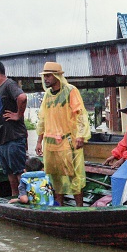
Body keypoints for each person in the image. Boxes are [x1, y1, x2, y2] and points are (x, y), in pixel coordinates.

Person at [34, 62, 91, 207]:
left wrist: (81, 135)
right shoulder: (47, 95)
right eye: (44, 76)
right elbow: (42, 119)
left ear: (57, 76)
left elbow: (80, 115)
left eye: (48, 76)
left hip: (68, 141)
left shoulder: (70, 91)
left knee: (74, 176)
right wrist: (39, 141)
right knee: (55, 177)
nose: (46, 79)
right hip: (50, 143)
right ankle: (59, 206)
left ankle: (79, 209)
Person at [0, 60, 28, 197]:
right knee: (9, 172)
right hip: (2, 139)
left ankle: (26, 198)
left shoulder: (9, 84)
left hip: (13, 137)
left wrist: (18, 115)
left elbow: (22, 97)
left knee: (19, 171)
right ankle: (15, 196)